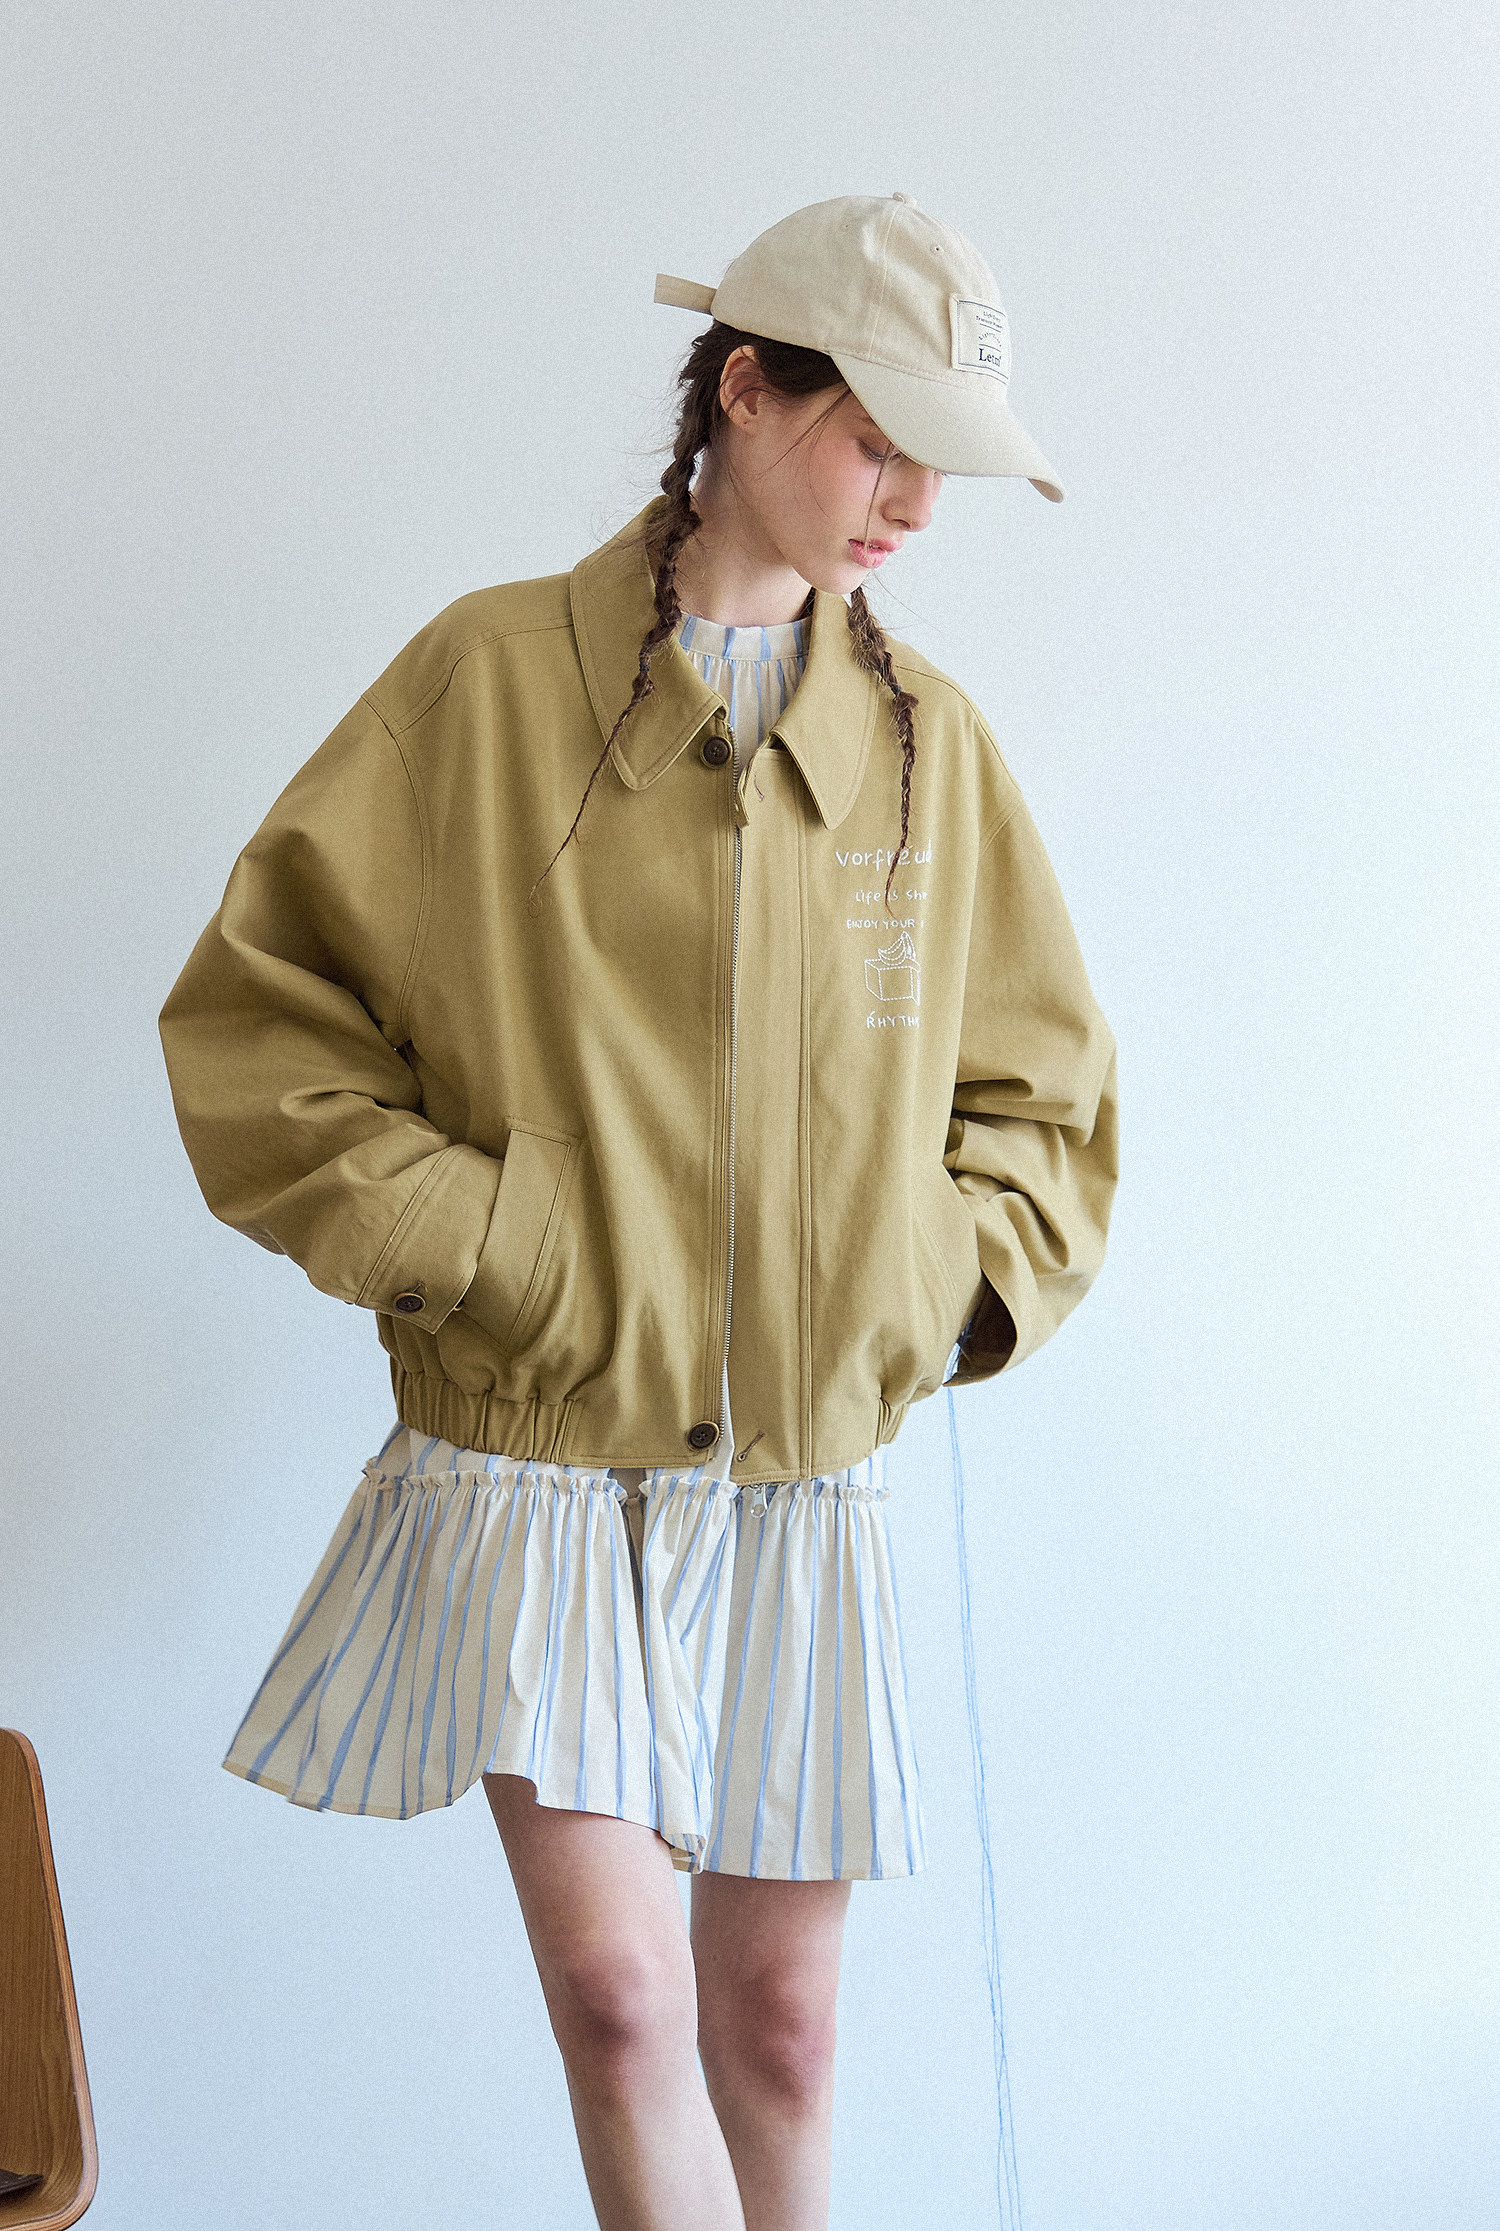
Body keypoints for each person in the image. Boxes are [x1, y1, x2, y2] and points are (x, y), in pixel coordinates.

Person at [158, 191, 1118, 2231]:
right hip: (541, 1457)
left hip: (797, 1476)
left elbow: (1045, 1107)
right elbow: (260, 1027)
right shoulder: (485, 684)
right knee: (617, 2003)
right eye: (881, 441)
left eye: (942, 463)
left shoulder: (930, 753)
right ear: (746, 388)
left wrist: (921, 1284)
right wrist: (494, 1250)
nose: (914, 507)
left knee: (783, 2028)